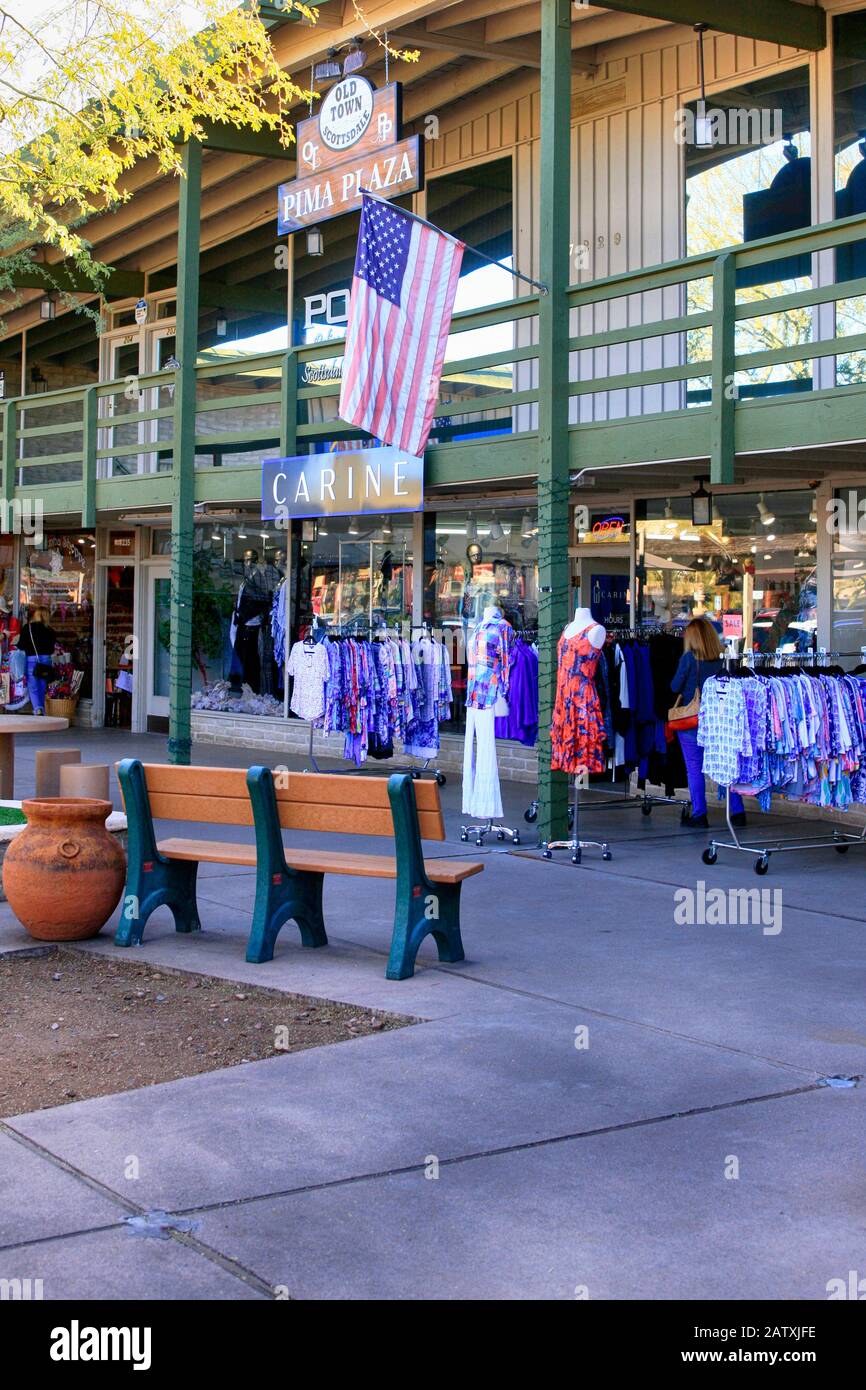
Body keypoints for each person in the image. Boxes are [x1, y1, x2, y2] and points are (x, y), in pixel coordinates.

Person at [671, 616, 746, 829]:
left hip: (692, 721)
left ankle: (699, 814)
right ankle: (737, 811)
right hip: (719, 720)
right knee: (725, 763)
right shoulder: (722, 658)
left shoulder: (689, 659)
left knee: (694, 768)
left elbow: (675, 686)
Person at [17, 607, 57, 716]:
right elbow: (52, 648)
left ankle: (38, 708)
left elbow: (21, 645)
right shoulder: (50, 630)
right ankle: (42, 708)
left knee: (33, 685)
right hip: (45, 659)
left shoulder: (28, 628)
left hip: (31, 659)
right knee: (43, 685)